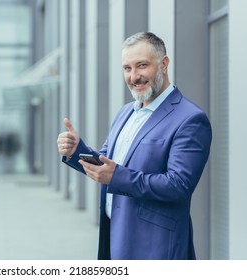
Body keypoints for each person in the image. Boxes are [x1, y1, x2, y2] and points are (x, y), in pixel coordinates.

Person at [56, 32, 212, 260]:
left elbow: (178, 185)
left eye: (142, 66)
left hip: (155, 249)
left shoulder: (190, 119)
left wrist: (117, 176)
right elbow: (106, 164)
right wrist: (77, 150)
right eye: (127, 68)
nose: (134, 76)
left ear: (164, 64)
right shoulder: (126, 112)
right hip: (115, 238)